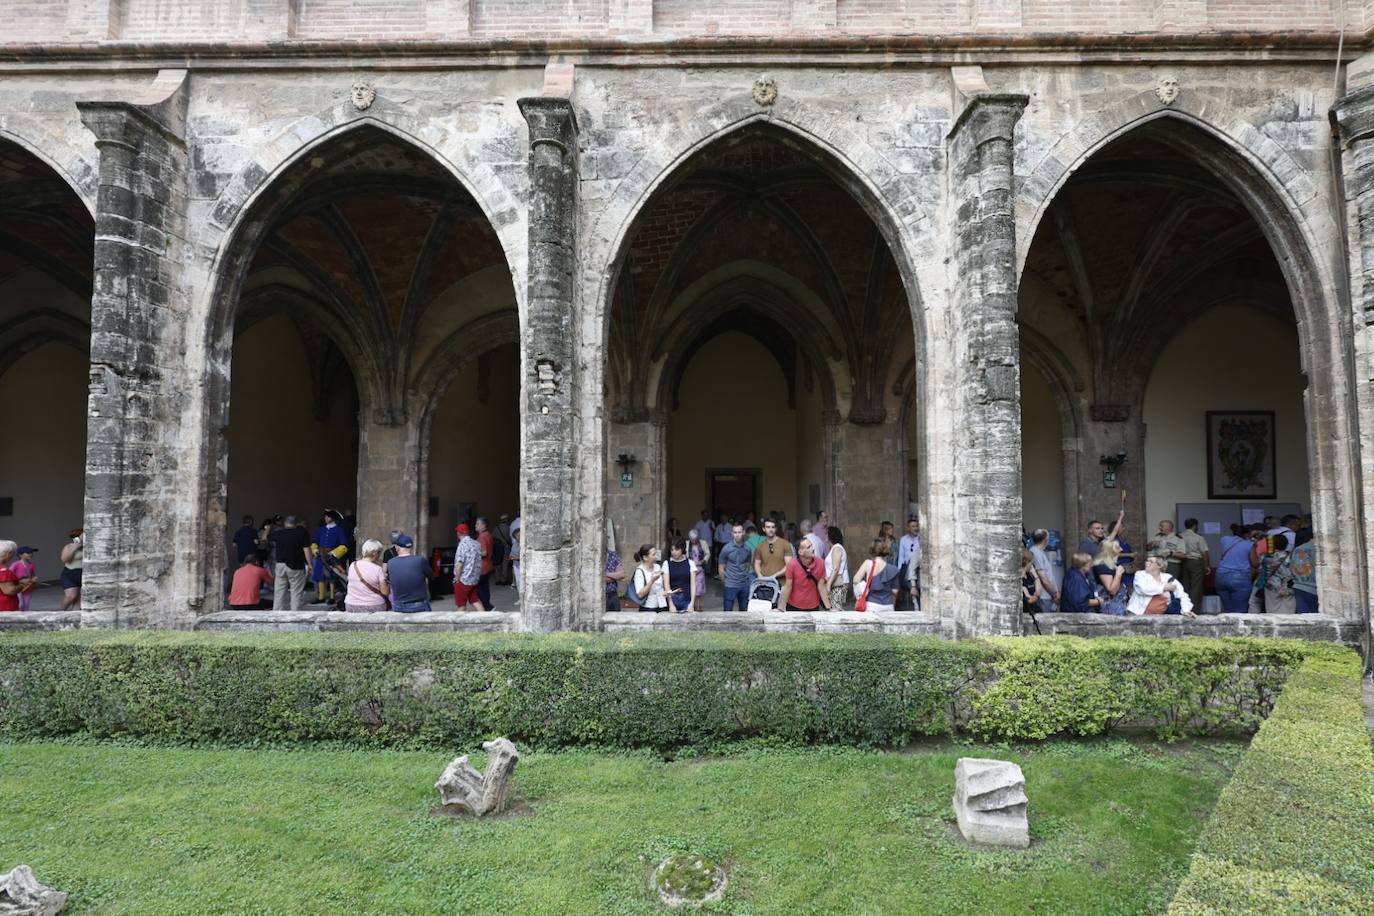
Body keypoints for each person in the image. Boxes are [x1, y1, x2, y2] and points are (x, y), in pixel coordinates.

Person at [267, 515, 311, 610]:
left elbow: (266, 538)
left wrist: (267, 529)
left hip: (280, 565)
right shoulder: (302, 534)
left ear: (285, 523)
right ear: (296, 524)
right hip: (296, 566)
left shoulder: (279, 533)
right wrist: (310, 564)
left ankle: (277, 614)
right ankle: (294, 615)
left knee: (279, 591)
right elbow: (306, 550)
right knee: (296, 592)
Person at [1126, 555, 1195, 616]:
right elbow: (1144, 589)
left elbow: (1182, 595)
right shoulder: (1140, 574)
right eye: (1147, 561)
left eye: (1151, 561)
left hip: (1160, 617)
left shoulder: (1168, 578)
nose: (1147, 563)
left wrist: (1186, 610)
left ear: (1159, 566)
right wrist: (1164, 587)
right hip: (1138, 614)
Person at [780, 536, 831, 612]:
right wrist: (780, 608)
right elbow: (788, 586)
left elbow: (822, 587)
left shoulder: (820, 563)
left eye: (812, 545)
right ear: (800, 552)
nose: (813, 549)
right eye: (809, 547)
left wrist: (828, 608)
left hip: (813, 606)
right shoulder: (792, 564)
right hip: (794, 606)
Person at [852, 539, 900, 613]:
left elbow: (855, 580)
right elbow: (895, 592)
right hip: (888, 605)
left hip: (872, 604)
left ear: (872, 551)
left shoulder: (868, 564)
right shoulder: (893, 569)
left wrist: (863, 587)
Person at [386, 534, 432, 613]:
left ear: (397, 548)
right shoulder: (420, 560)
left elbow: (391, 580)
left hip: (399, 605)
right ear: (411, 547)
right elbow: (431, 576)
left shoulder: (390, 562)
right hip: (419, 604)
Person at [1214, 525, 1254, 613]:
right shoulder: (1250, 544)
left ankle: (1228, 626)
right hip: (1240, 577)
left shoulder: (1224, 539)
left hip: (1221, 576)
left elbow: (1233, 527)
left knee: (1228, 609)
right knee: (1240, 610)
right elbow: (1255, 563)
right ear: (1247, 534)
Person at [752, 518, 793, 605]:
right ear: (764, 529)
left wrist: (775, 575)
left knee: (779, 613)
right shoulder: (760, 546)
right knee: (764, 610)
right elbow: (757, 563)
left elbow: (789, 565)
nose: (770, 529)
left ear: (776, 529)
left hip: (781, 584)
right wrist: (760, 575)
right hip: (764, 585)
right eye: (768, 527)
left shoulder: (785, 544)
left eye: (773, 527)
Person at [311, 511, 348, 604]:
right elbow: (314, 541)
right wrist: (315, 549)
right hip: (320, 555)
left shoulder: (339, 530)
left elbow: (344, 545)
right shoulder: (321, 529)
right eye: (325, 517)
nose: (326, 518)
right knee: (320, 576)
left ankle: (332, 597)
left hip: (332, 557)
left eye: (328, 517)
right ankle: (321, 597)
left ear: (333, 518)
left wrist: (334, 553)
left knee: (332, 577)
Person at [345, 539, 389, 614]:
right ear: (375, 553)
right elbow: (385, 592)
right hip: (373, 605)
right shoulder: (378, 569)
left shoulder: (353, 565)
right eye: (379, 553)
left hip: (351, 605)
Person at [717, 524, 753, 612]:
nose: (737, 534)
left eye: (739, 532)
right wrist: (725, 582)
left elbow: (748, 565)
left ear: (743, 533)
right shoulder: (726, 549)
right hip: (730, 584)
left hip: (744, 584)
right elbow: (721, 568)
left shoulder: (748, 549)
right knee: (728, 611)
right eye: (735, 532)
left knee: (744, 611)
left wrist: (744, 576)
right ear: (732, 534)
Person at [1258, 533, 1296, 614]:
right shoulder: (1292, 555)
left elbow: (1260, 569)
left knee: (1272, 609)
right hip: (1288, 585)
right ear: (1286, 544)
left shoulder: (1266, 557)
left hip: (1271, 585)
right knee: (1289, 609)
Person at [452, 523, 486, 612]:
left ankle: (455, 624)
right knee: (475, 600)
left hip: (463, 580)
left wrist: (457, 578)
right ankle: (485, 619)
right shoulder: (476, 544)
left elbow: (459, 564)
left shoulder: (462, 545)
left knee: (461, 606)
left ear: (458, 533)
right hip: (474, 579)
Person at [1178, 518, 1210, 610]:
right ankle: (1194, 609)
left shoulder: (1180, 536)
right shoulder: (1198, 538)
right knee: (1196, 587)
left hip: (1183, 562)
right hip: (1196, 562)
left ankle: (1184, 608)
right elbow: (1204, 553)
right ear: (1195, 526)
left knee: (1184, 585)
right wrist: (1207, 566)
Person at [1091, 540, 1129, 616]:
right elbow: (1112, 590)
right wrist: (1118, 574)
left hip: (1118, 605)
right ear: (1111, 551)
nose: (1121, 549)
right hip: (1111, 607)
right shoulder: (1103, 566)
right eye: (1118, 547)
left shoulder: (1111, 564)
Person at [629, 544, 668, 612]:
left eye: (656, 554)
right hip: (648, 608)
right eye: (653, 554)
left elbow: (660, 586)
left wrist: (665, 592)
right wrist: (652, 581)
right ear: (645, 557)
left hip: (662, 606)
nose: (656, 557)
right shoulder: (639, 571)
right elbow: (640, 594)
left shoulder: (658, 567)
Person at [1029, 528, 1058, 613]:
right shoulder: (1036, 553)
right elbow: (1044, 579)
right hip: (1044, 596)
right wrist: (1054, 593)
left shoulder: (1040, 552)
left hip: (1048, 595)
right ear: (1045, 540)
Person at [665, 538, 696, 613]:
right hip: (673, 598)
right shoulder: (667, 564)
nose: (674, 552)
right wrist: (671, 604)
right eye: (672, 550)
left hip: (686, 599)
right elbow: (667, 585)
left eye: (676, 549)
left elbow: (693, 585)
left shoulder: (690, 563)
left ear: (682, 549)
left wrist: (692, 603)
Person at [897, 517, 922, 611]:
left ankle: (916, 600)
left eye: (916, 526)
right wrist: (899, 570)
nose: (915, 528)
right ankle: (914, 600)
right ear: (908, 528)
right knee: (908, 579)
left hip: (919, 566)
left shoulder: (921, 538)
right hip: (907, 565)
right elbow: (901, 555)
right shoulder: (903, 539)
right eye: (913, 526)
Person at [1289, 537, 1318, 613]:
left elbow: (1291, 567)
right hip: (1314, 588)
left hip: (1298, 586)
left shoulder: (1297, 549)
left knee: (1304, 616)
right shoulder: (1319, 548)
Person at [824, 526, 849, 612]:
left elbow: (835, 568)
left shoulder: (837, 548)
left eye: (826, 533)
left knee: (836, 609)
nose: (825, 535)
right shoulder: (835, 548)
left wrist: (828, 584)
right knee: (836, 608)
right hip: (837, 582)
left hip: (838, 583)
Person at [59, 529, 83, 611]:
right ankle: (61, 611)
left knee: (78, 601)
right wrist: (75, 547)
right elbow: (64, 559)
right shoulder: (69, 546)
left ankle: (75, 619)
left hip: (82, 574)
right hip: (70, 573)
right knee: (71, 596)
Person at [0, 541, 27, 613]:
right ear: (8, 553)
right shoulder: (3, 571)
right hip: (5, 608)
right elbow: (9, 590)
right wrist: (23, 584)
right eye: (13, 553)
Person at [686, 529, 709, 611]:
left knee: (699, 588)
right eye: (692, 540)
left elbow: (707, 553)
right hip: (690, 568)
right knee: (692, 587)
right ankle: (694, 605)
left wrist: (703, 560)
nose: (694, 541)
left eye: (695, 539)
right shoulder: (687, 544)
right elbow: (685, 555)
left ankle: (699, 605)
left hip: (700, 567)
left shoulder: (703, 543)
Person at [11, 546, 37, 612]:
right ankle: (18, 618)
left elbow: (32, 575)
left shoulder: (32, 565)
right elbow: (9, 574)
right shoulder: (16, 564)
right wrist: (18, 580)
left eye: (31, 552)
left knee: (26, 605)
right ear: (20, 555)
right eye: (28, 553)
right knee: (21, 604)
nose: (31, 554)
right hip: (18, 587)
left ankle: (24, 620)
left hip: (28, 587)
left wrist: (34, 579)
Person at [605, 547, 627, 613]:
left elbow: (622, 574)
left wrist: (605, 574)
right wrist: (615, 576)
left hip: (613, 594)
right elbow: (599, 578)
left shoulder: (612, 554)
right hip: (598, 595)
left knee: (615, 619)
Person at [1020, 548, 1042, 615]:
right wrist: (1036, 597)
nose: (1032, 565)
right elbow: (1029, 599)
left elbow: (1038, 592)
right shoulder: (1020, 579)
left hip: (1036, 611)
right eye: (1031, 563)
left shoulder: (1029, 575)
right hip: (1027, 613)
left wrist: (1035, 576)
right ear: (1027, 562)